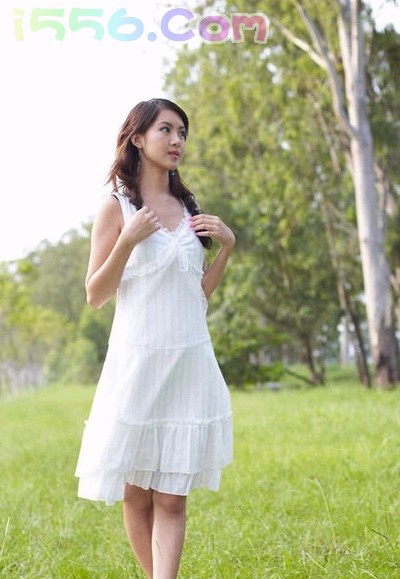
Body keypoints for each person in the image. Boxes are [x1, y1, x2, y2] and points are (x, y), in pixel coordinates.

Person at [75, 98, 235, 578]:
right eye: (166, 129)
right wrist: (127, 240)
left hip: (188, 363)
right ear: (138, 138)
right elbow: (95, 295)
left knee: (171, 495)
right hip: (137, 363)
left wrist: (226, 249)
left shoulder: (189, 208)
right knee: (136, 491)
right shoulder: (117, 206)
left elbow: (196, 295)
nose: (177, 140)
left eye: (182, 132)